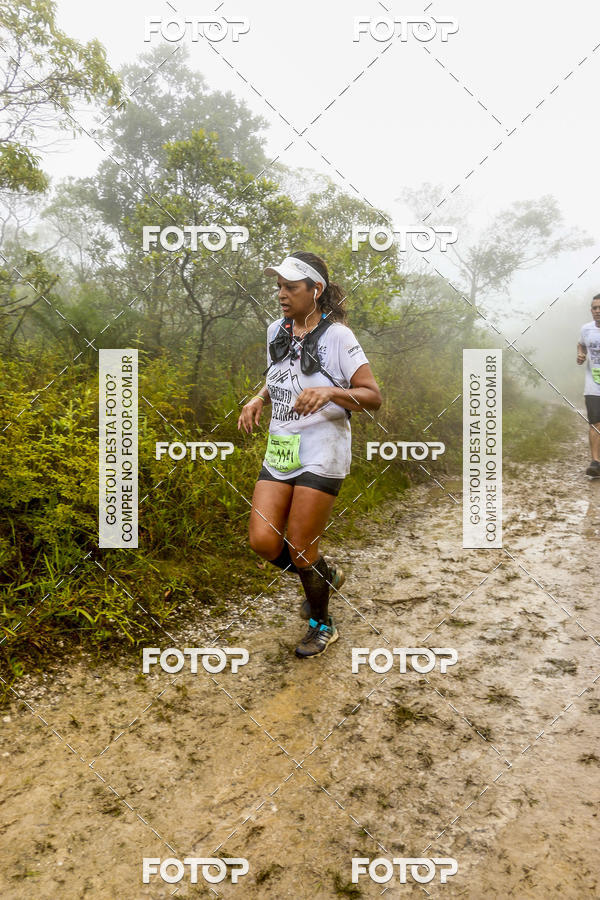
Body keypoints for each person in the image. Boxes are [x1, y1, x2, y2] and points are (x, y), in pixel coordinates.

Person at [237, 251, 382, 658]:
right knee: (264, 541)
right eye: (279, 286)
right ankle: (324, 574)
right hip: (282, 443)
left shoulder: (338, 337)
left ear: (315, 290)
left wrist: (331, 391)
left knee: (301, 546)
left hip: (324, 447)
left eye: (291, 287)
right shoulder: (275, 331)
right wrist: (258, 399)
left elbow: (372, 397)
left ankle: (322, 623)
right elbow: (279, 374)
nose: (281, 294)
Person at [577, 293, 600, 477]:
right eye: (594, 308)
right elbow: (581, 345)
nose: (597, 311)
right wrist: (581, 354)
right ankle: (595, 463)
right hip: (593, 384)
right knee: (595, 423)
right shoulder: (586, 329)